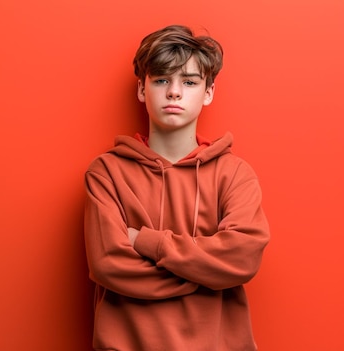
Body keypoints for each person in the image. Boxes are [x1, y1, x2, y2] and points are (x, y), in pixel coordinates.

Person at [83, 25, 270, 351]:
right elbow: (109, 264)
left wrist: (144, 241)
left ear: (208, 93)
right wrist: (208, 272)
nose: (174, 92)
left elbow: (243, 258)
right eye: (161, 80)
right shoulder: (107, 173)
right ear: (142, 90)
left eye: (189, 82)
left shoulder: (235, 174)